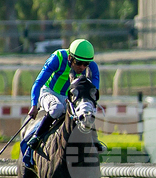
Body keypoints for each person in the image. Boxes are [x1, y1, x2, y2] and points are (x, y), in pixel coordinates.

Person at [21, 38, 100, 168]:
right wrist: (34, 105)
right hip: (49, 92)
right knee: (57, 109)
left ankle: (94, 140)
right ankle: (35, 138)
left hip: (69, 96)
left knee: (86, 109)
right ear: (70, 57)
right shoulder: (57, 58)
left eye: (86, 64)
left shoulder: (92, 67)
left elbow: (93, 91)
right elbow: (38, 83)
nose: (82, 67)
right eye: (79, 63)